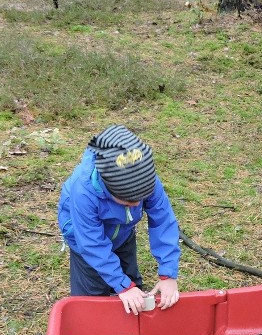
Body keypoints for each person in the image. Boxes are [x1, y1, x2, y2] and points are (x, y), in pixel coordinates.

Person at [57, 124, 181, 314]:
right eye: (128, 200)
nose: (136, 204)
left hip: (123, 232)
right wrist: (122, 285)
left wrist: (168, 274)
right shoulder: (83, 192)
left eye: (140, 199)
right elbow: (91, 243)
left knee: (131, 282)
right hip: (84, 241)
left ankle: (130, 309)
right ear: (108, 187)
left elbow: (163, 221)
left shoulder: (148, 180)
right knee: (92, 295)